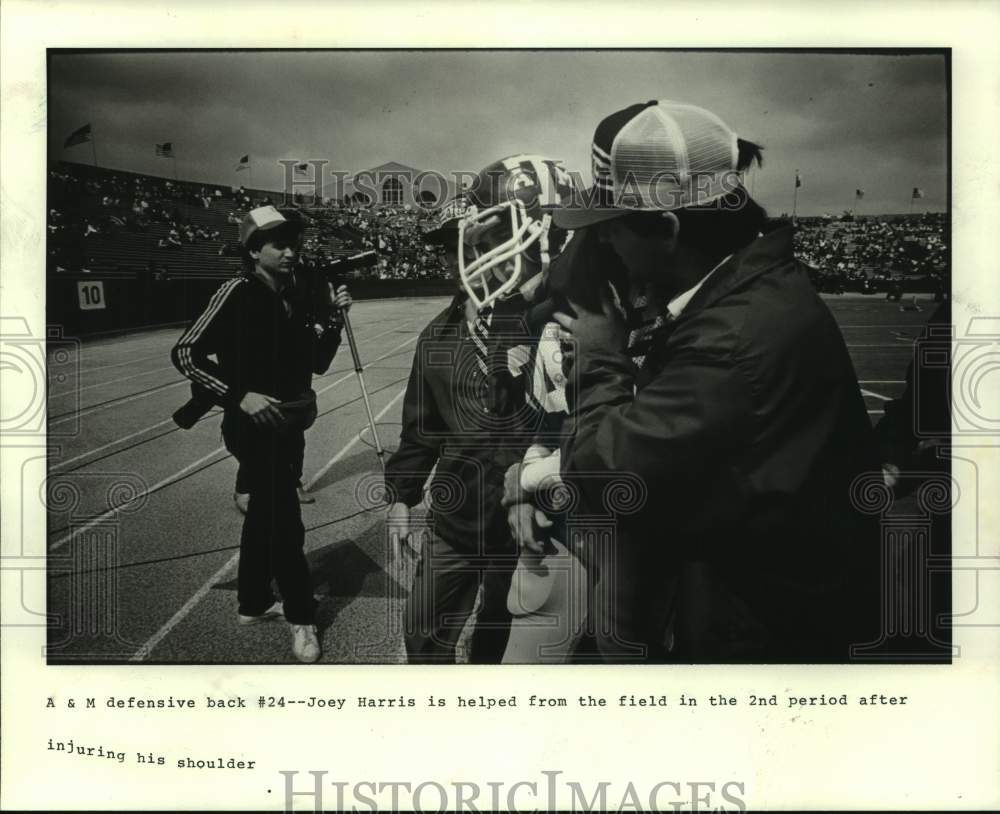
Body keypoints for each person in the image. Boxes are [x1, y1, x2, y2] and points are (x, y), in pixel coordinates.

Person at [552, 99, 881, 663]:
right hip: (780, 608)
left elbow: (606, 481)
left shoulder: (730, 340)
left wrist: (599, 353)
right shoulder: (755, 288)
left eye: (611, 229)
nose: (604, 244)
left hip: (760, 639)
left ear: (666, 229)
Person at [383, 158, 577, 663]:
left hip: (524, 527)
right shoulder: (439, 334)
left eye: (471, 245)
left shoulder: (546, 323)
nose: (460, 258)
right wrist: (403, 495)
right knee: (423, 634)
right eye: (453, 249)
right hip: (457, 519)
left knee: (498, 643)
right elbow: (421, 426)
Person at [170, 205, 352, 663]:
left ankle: (252, 602)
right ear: (253, 251)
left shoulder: (296, 294)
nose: (292, 252)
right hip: (251, 427)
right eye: (280, 244)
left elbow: (318, 363)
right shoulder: (234, 291)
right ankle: (302, 617)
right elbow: (185, 353)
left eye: (295, 243)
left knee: (264, 515)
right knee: (285, 521)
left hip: (289, 424)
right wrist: (239, 395)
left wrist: (332, 318)